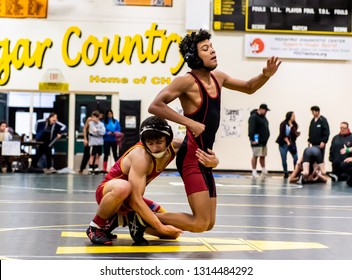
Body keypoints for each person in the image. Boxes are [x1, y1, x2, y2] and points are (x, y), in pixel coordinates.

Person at [148, 29, 281, 232]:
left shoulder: (218, 77)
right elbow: (156, 105)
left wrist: (265, 75)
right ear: (194, 56)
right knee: (200, 222)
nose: (212, 51)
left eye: (211, 47)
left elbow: (249, 87)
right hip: (191, 157)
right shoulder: (186, 82)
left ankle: (144, 220)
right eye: (205, 48)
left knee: (208, 224)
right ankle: (141, 216)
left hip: (205, 158)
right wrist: (189, 123)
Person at [86, 115, 218, 245]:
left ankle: (122, 219)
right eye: (150, 143)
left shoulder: (175, 145)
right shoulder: (141, 156)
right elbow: (135, 199)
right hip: (110, 193)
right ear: (144, 142)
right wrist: (160, 226)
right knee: (124, 187)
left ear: (168, 138)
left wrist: (214, 162)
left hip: (130, 200)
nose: (155, 148)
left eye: (159, 142)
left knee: (173, 234)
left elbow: (200, 152)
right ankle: (96, 226)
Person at [248, 104, 271, 178]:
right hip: (256, 140)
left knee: (263, 155)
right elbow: (252, 129)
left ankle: (263, 171)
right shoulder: (254, 117)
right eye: (265, 110)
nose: (266, 112)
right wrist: (253, 139)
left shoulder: (263, 118)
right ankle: (254, 172)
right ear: (261, 109)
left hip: (264, 141)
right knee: (256, 155)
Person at [276, 111, 300, 179]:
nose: (294, 117)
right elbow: (282, 134)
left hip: (292, 143)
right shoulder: (283, 124)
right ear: (289, 116)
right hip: (283, 143)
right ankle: (285, 172)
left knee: (296, 157)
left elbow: (293, 135)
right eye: (293, 116)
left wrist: (296, 133)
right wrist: (287, 142)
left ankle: (296, 172)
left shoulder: (295, 125)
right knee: (284, 159)